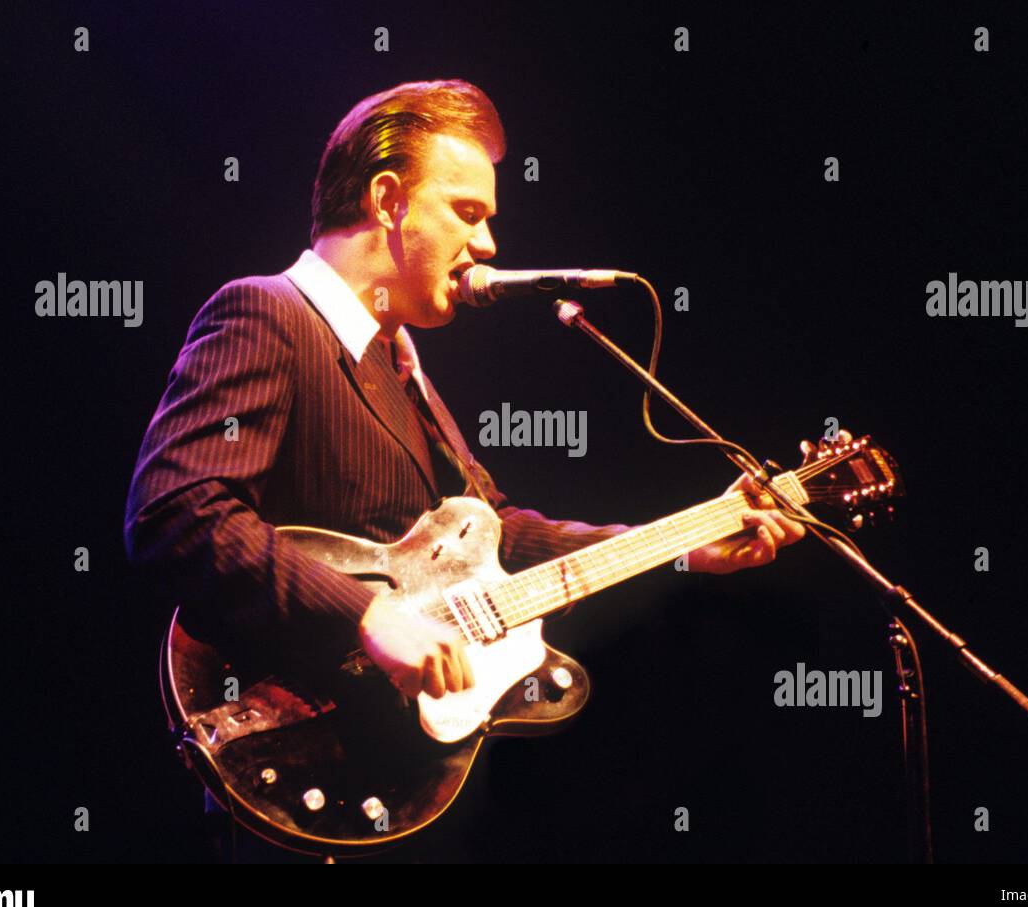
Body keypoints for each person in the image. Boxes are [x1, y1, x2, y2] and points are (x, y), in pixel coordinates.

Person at [124, 79, 804, 861]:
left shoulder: (401, 365)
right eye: (469, 213)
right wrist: (367, 615)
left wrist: (686, 540)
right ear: (388, 201)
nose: (487, 245)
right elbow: (174, 508)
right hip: (284, 740)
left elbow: (499, 538)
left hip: (389, 773)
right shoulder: (268, 314)